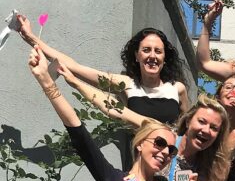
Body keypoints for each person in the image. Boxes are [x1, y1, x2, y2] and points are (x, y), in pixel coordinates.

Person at [28, 46, 201, 181]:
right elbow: (79, 132)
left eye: (171, 149)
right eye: (159, 143)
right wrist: (47, 82)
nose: (165, 152)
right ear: (140, 144)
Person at [18, 16, 189, 123]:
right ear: (136, 56)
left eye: (158, 51)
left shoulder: (177, 89)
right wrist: (30, 37)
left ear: (165, 57)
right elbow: (75, 67)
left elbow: (187, 126)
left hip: (173, 164)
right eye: (146, 50)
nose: (152, 56)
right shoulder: (126, 84)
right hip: (139, 166)